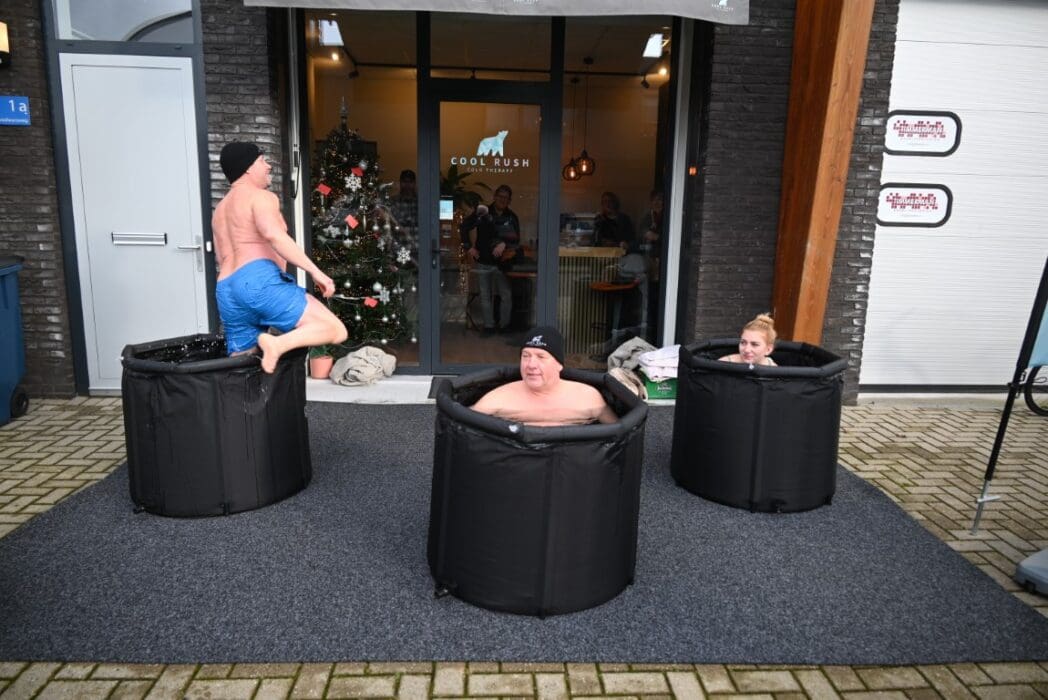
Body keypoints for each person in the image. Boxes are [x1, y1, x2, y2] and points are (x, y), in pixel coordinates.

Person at [212, 141, 348, 373]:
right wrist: (316, 272)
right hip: (257, 279)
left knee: (241, 367)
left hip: (227, 289)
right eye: (262, 161)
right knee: (334, 329)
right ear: (248, 167)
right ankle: (277, 344)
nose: (268, 166)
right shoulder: (261, 197)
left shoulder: (220, 211)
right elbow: (274, 235)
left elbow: (221, 256)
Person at [471, 326, 619, 426]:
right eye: (526, 356)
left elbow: (619, 434)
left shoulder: (587, 397)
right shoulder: (500, 397)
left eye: (541, 357)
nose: (531, 364)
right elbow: (463, 426)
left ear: (559, 364)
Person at [461, 185, 521, 334]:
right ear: (494, 196)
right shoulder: (483, 212)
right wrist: (469, 247)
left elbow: (516, 241)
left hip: (502, 264)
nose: (503, 200)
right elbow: (464, 227)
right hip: (483, 261)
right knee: (485, 296)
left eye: (506, 198)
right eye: (500, 196)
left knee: (506, 295)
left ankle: (504, 326)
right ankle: (489, 326)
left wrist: (504, 244)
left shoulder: (512, 217)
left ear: (510, 200)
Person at [637, 189, 664, 259]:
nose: (656, 202)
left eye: (659, 199)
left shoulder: (669, 218)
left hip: (663, 256)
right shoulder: (647, 217)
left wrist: (657, 237)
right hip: (648, 255)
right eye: (653, 200)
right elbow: (640, 239)